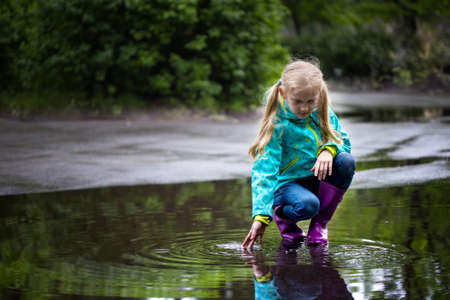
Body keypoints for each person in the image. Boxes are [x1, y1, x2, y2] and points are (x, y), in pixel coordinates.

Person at [241, 59, 355, 250]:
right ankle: (283, 216)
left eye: (310, 101)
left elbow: (343, 140)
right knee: (308, 205)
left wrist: (328, 150)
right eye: (298, 102)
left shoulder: (321, 109)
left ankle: (319, 226)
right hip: (286, 185)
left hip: (315, 176)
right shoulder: (277, 123)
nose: (304, 108)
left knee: (345, 161)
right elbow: (264, 170)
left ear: (317, 95)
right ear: (284, 94)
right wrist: (261, 215)